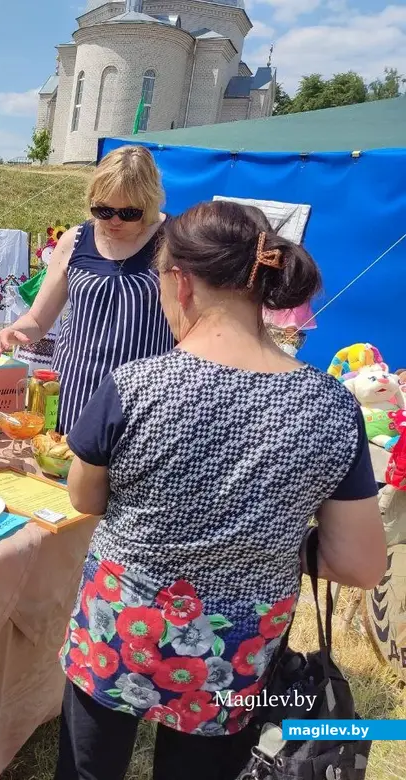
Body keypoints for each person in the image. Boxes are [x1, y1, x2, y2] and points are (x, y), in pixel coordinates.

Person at [57, 200, 386, 780]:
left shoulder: (134, 386)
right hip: (235, 653)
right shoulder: (332, 406)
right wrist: (270, 540)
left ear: (180, 282)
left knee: (88, 770)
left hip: (120, 631)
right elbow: (360, 564)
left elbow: (85, 498)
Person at [0, 145, 173, 433]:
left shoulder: (173, 242)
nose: (114, 221)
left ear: (150, 203)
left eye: (129, 213)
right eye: (103, 210)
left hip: (143, 403)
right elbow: (38, 320)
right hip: (75, 394)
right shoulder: (74, 241)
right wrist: (14, 331)